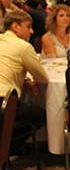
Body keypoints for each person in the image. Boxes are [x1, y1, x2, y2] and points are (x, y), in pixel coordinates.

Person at [0, 10, 49, 155]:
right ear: (15, 26)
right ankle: (8, 149)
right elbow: (43, 78)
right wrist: (30, 81)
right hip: (4, 101)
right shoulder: (23, 46)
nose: (32, 31)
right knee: (39, 115)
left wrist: (25, 79)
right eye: (28, 26)